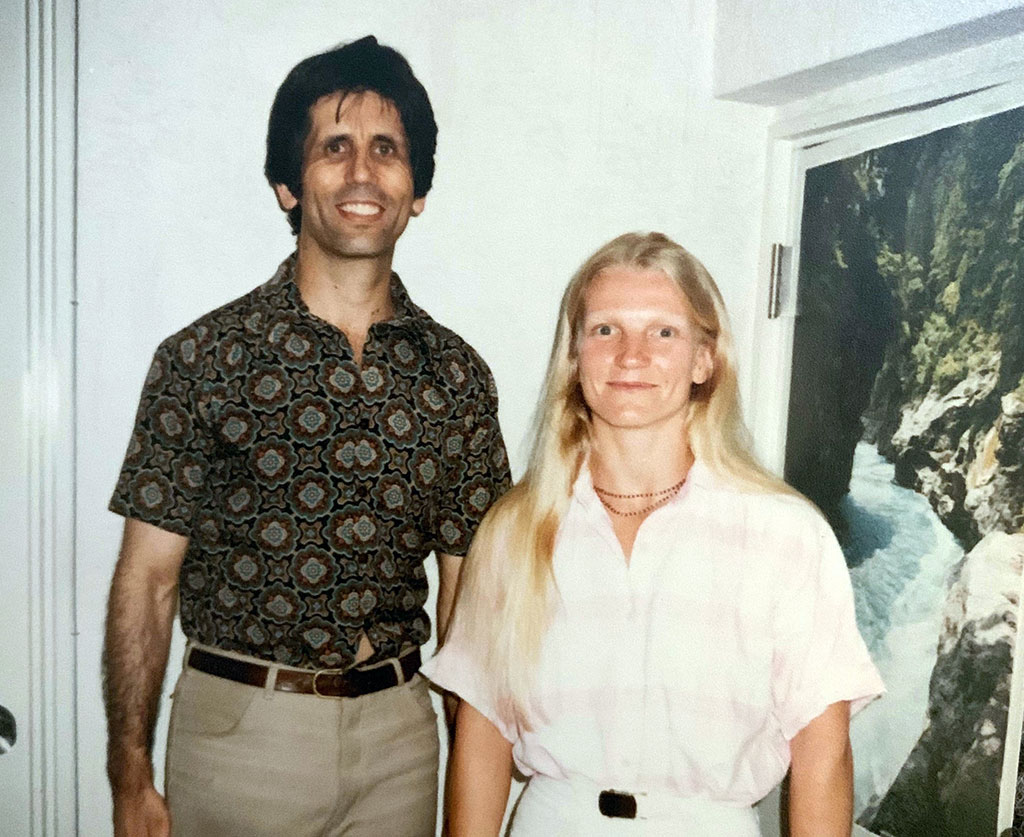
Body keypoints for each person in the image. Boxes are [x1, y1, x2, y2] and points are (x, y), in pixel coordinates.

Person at [102, 35, 511, 837]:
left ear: (417, 189)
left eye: (386, 149)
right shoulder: (203, 359)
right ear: (289, 184)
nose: (362, 172)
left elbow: (472, 596)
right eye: (334, 147)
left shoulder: (458, 376)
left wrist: (471, 777)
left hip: (400, 743)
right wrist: (129, 772)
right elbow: (146, 581)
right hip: (242, 738)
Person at [423, 231, 884, 836]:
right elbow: (481, 740)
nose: (630, 356)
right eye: (605, 330)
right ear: (574, 358)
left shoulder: (786, 536)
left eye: (663, 332)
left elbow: (823, 757)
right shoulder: (515, 531)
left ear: (704, 360)